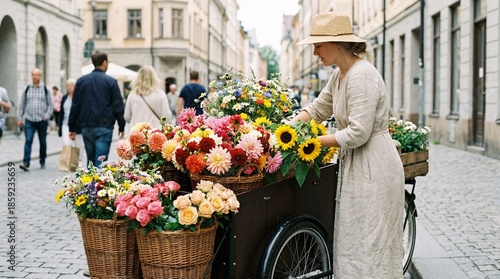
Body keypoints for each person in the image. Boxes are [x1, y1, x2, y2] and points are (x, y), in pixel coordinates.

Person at [293, 12, 404, 278]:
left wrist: (312, 143)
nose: (315, 52)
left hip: (373, 166)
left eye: (318, 45)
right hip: (357, 164)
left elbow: (358, 132)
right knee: (354, 238)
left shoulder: (361, 76)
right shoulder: (340, 75)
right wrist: (290, 126)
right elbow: (319, 108)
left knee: (370, 242)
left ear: (336, 43)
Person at [68, 50, 125, 168]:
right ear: (104, 62)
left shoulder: (81, 81)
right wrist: (121, 125)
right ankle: (98, 185)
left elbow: (75, 106)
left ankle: (90, 185)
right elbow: (117, 105)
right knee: (101, 162)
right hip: (105, 126)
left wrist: (71, 127)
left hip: (86, 126)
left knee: (91, 161)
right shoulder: (111, 82)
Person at [18, 68, 53, 171]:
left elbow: (50, 105)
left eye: (36, 75)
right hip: (29, 119)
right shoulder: (27, 89)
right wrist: (20, 118)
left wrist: (46, 116)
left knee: (42, 142)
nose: (34, 76)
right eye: (33, 74)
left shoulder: (46, 89)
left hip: (42, 120)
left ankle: (42, 160)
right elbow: (22, 104)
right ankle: (26, 162)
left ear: (40, 76)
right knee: (28, 140)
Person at [58, 78, 85, 165]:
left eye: (71, 85)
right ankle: (68, 163)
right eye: (67, 85)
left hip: (77, 125)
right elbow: (61, 112)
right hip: (65, 124)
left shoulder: (79, 97)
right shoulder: (64, 97)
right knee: (67, 142)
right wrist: (59, 123)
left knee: (78, 144)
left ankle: (79, 161)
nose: (69, 87)